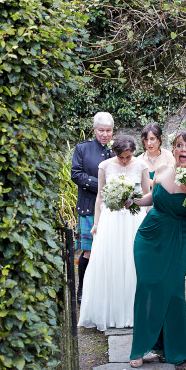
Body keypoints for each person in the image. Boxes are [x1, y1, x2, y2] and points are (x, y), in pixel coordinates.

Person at [127, 129, 186, 367]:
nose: (183, 149)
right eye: (179, 145)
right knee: (146, 287)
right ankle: (140, 349)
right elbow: (151, 198)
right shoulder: (162, 171)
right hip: (149, 235)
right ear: (173, 149)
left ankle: (171, 348)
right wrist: (131, 200)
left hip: (177, 237)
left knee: (173, 291)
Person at [77, 135, 150, 331]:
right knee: (111, 261)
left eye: (128, 157)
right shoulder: (105, 166)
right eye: (121, 157)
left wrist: (145, 215)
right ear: (115, 153)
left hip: (134, 217)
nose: (125, 161)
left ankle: (134, 312)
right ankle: (110, 313)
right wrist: (97, 223)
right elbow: (100, 196)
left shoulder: (142, 165)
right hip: (111, 219)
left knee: (133, 261)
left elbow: (147, 195)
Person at [70, 112, 114, 302]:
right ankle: (82, 291)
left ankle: (102, 292)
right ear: (95, 129)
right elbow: (76, 175)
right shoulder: (83, 149)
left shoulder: (116, 150)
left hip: (112, 208)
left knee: (108, 251)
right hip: (88, 206)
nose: (105, 134)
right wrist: (102, 184)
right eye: (101, 130)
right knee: (88, 252)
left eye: (109, 131)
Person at [136, 122, 175, 191]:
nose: (149, 143)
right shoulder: (139, 160)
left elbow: (173, 182)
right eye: (146, 139)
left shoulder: (168, 156)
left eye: (152, 139)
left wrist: (149, 181)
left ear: (160, 138)